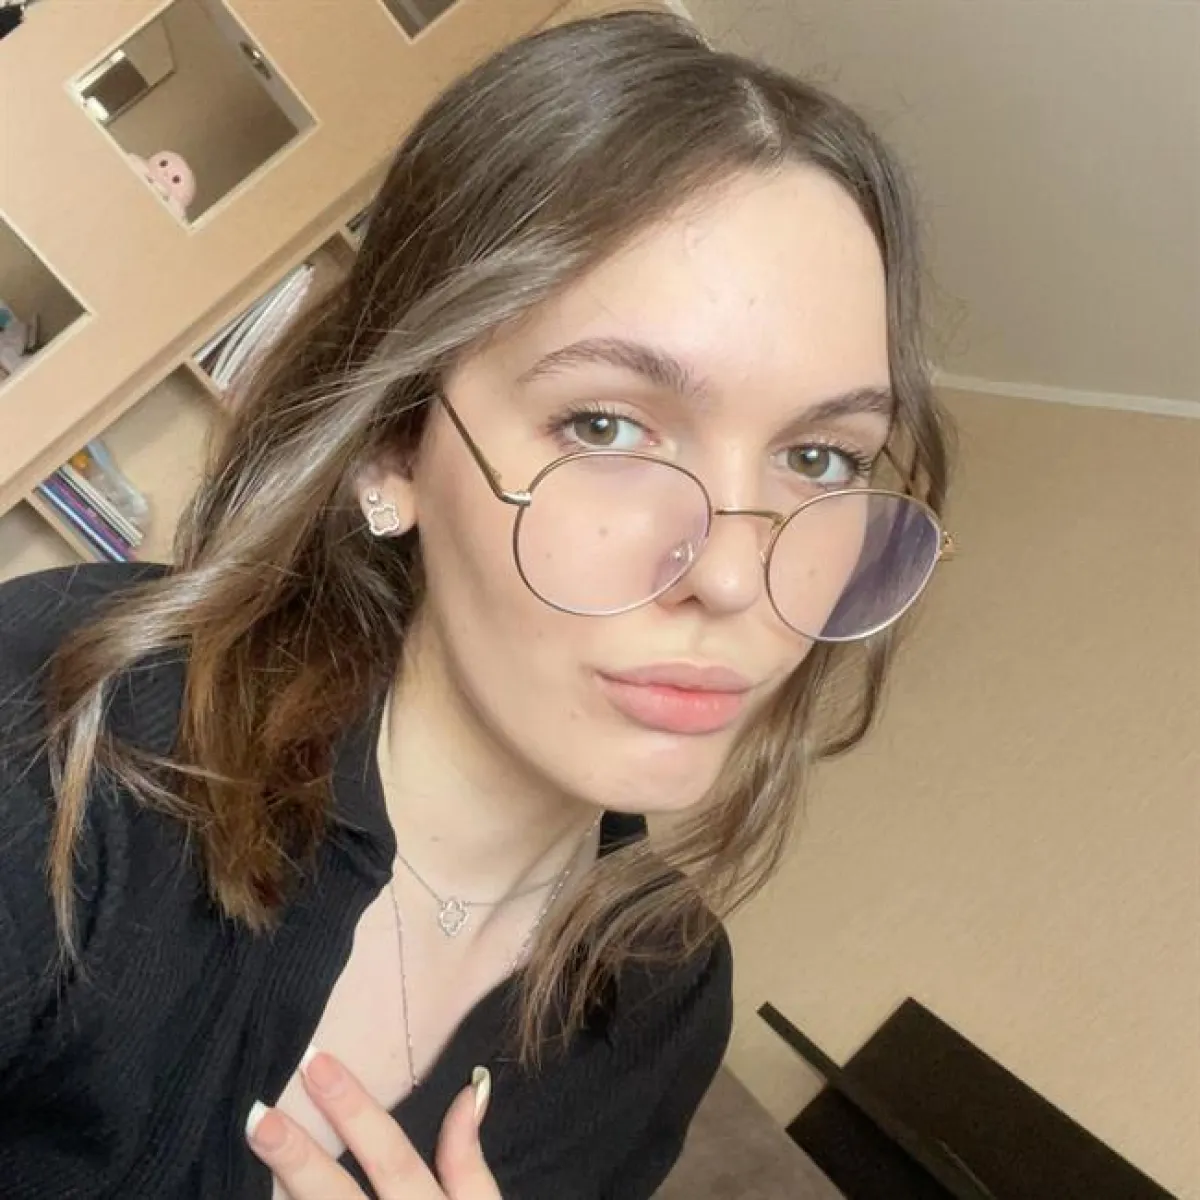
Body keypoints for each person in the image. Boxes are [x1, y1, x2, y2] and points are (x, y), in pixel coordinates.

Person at [0, 10, 954, 1199]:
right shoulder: (70, 719)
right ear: (391, 450)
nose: (733, 576)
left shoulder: (662, 1003)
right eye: (604, 426)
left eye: (820, 458)